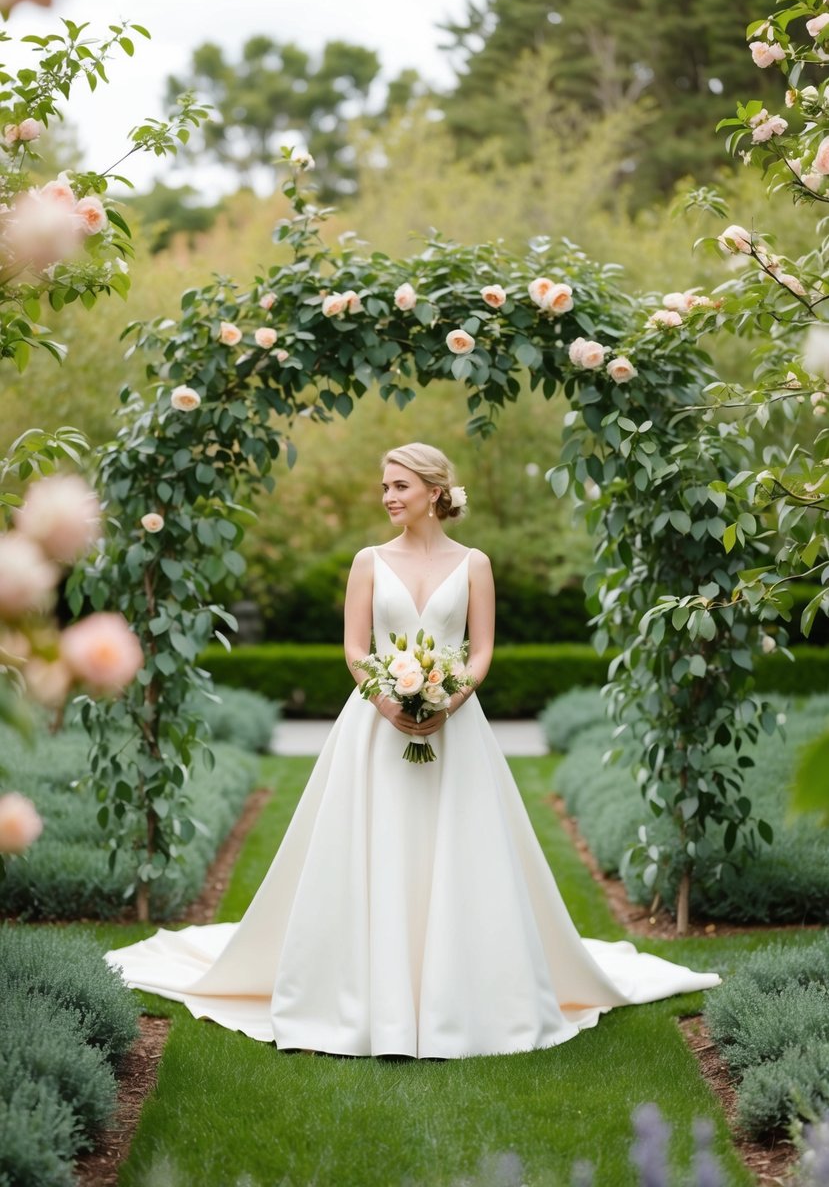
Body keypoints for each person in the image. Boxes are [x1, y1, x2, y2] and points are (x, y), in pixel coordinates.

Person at [106, 442, 720, 1058]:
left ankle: (462, 996)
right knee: (376, 849)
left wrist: (447, 700)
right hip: (375, 729)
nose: (388, 497)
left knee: (462, 854)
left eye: (399, 486)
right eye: (385, 487)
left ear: (434, 490)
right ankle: (367, 995)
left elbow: (480, 652)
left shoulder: (475, 562)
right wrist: (386, 700)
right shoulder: (367, 561)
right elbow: (354, 649)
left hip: (458, 731)